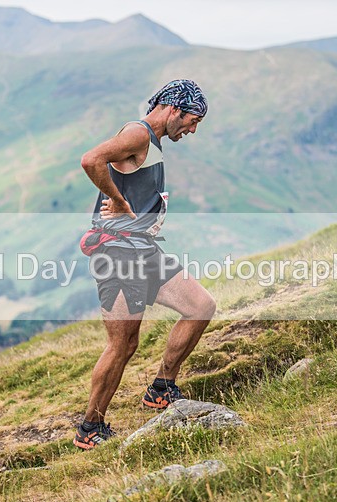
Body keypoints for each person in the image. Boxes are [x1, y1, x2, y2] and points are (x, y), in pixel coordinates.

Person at [73, 79, 217, 450]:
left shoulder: (150, 142)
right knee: (123, 344)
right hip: (118, 254)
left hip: (144, 250)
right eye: (191, 120)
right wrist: (118, 202)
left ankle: (161, 388)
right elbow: (91, 159)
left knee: (200, 306)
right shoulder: (138, 133)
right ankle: (91, 427)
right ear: (173, 109)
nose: (192, 129)